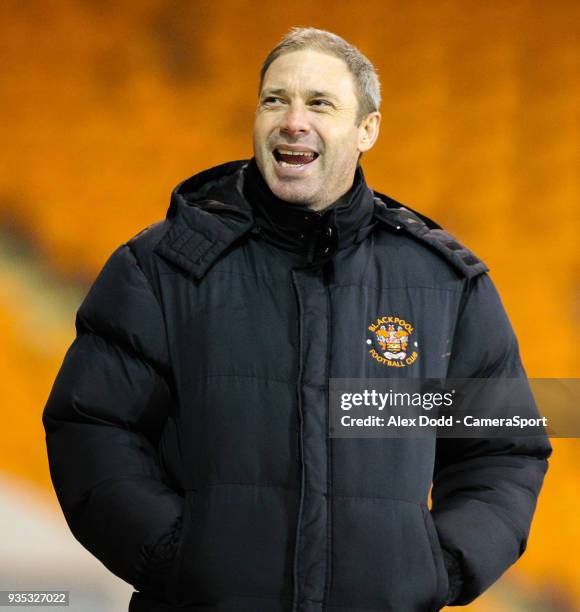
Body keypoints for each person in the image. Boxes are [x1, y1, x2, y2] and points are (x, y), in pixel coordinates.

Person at [43, 27, 552, 611]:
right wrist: (176, 556)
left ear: (368, 130)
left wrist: (436, 568)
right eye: (274, 100)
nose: (292, 120)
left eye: (319, 103)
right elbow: (91, 426)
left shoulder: (444, 285)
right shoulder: (159, 268)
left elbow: (503, 449)